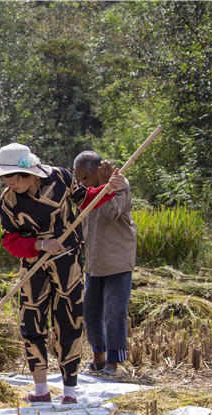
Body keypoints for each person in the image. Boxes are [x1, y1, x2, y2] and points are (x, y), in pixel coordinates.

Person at [0, 143, 124, 405]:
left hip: (67, 261)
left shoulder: (59, 177)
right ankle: (41, 390)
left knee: (69, 321)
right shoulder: (8, 201)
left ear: (29, 173)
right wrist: (39, 244)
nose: (9, 183)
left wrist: (108, 189)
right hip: (33, 264)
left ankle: (69, 391)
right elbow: (10, 240)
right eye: (5, 178)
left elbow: (85, 200)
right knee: (32, 323)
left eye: (12, 177)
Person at [73, 151, 136, 377]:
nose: (82, 184)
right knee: (90, 309)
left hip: (117, 259)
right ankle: (97, 356)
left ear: (98, 172)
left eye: (85, 179)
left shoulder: (119, 184)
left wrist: (105, 187)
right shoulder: (86, 192)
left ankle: (113, 361)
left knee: (113, 310)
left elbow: (110, 215)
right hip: (94, 260)